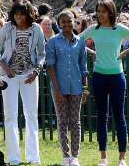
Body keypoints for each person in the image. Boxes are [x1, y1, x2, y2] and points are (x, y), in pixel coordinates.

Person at [79, 0, 129, 166]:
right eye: (98, 11)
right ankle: (103, 158)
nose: (100, 14)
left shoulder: (119, 29)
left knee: (119, 117)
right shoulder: (93, 29)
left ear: (110, 12)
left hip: (117, 78)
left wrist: (125, 53)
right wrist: (91, 52)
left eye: (103, 11)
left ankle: (122, 159)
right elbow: (77, 41)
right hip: (99, 77)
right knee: (102, 117)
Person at [0, 0, 45, 165]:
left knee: (31, 116)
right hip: (9, 77)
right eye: (16, 14)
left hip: (30, 76)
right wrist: (4, 66)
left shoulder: (36, 29)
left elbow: (42, 53)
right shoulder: (7, 28)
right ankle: (13, 158)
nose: (18, 18)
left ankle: (33, 157)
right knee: (10, 116)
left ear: (28, 14)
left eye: (22, 14)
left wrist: (36, 71)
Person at [46, 10, 88, 166]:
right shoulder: (52, 42)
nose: (66, 24)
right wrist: (56, 90)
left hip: (76, 86)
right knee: (62, 121)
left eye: (69, 21)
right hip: (59, 87)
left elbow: (84, 67)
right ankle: (65, 155)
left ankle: (75, 156)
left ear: (74, 21)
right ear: (58, 23)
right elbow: (50, 66)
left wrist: (85, 88)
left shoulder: (81, 41)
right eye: (63, 22)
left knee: (75, 121)